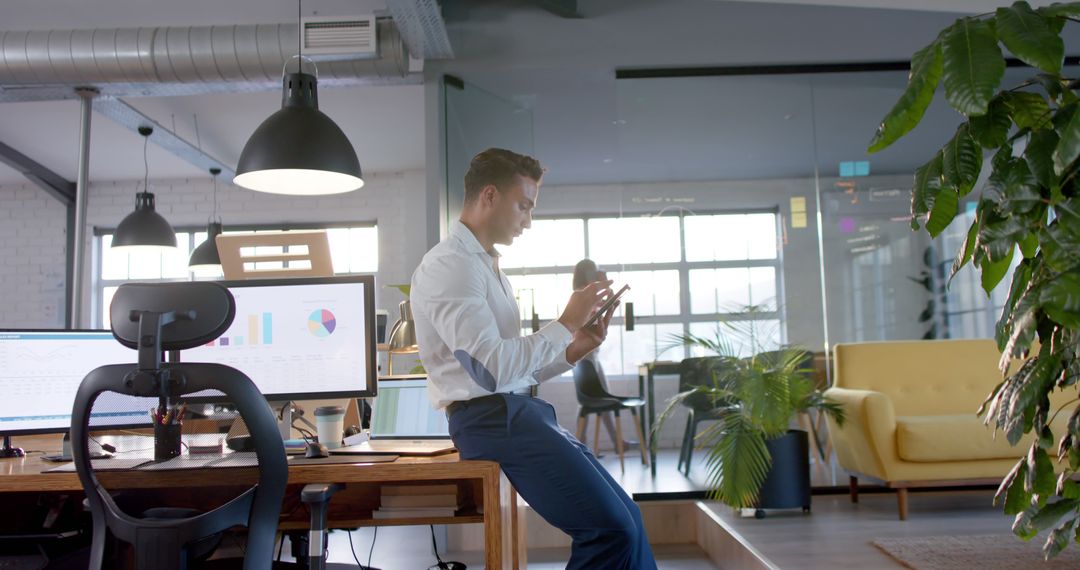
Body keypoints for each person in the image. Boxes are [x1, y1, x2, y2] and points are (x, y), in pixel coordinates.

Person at [411, 148, 657, 569]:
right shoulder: (450, 267)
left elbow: (514, 368)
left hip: (516, 411)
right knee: (611, 529)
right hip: (490, 419)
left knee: (627, 518)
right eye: (524, 205)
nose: (529, 219)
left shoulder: (488, 270)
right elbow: (494, 370)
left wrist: (576, 346)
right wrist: (564, 323)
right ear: (490, 195)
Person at [572, 259, 638, 453]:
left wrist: (605, 284)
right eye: (591, 271)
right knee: (593, 400)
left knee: (600, 399)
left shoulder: (586, 290)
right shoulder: (582, 293)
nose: (594, 274)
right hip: (586, 353)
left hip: (592, 353)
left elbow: (608, 303)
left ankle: (587, 441)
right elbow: (604, 305)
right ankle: (588, 441)